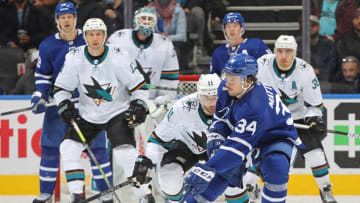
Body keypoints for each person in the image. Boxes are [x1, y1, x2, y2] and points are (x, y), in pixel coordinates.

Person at [53, 18, 154, 203]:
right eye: (91, 34)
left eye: (99, 34)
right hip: (87, 114)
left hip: (117, 112)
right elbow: (61, 89)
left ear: (105, 36)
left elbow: (139, 86)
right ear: (84, 37)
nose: (95, 38)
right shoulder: (75, 57)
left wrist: (140, 104)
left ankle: (144, 195)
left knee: (124, 153)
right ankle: (77, 194)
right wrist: (64, 103)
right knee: (67, 148)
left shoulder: (119, 56)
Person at [182, 54, 303, 203]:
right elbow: (220, 119)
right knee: (220, 173)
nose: (227, 82)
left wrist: (207, 168)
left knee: (276, 166)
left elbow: (237, 149)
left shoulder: (256, 105)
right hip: (244, 135)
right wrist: (216, 137)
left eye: (233, 79)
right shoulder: (225, 88)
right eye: (227, 76)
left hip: (275, 138)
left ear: (249, 80)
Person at [30, 3, 110, 203]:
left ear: (76, 18)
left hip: (91, 107)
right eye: (62, 17)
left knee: (97, 152)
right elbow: (43, 75)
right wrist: (40, 95)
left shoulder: (90, 37)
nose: (66, 20)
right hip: (59, 107)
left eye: (69, 16)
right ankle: (46, 194)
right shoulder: (48, 45)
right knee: (49, 150)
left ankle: (106, 195)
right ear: (57, 20)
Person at [256, 35, 338, 203]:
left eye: (288, 51)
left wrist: (313, 120)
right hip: (271, 120)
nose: (284, 56)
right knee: (254, 154)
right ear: (274, 52)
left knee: (316, 155)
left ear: (295, 52)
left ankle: (325, 189)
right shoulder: (262, 65)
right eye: (280, 51)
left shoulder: (305, 70)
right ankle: (251, 188)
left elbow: (315, 104)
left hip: (298, 119)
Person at [130, 74, 221, 202]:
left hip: (221, 149)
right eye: (207, 97)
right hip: (187, 147)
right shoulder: (183, 107)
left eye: (215, 97)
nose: (212, 102)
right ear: (199, 94)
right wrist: (148, 163)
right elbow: (158, 140)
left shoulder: (232, 106)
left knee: (236, 179)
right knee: (169, 175)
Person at [107, 6, 179, 102]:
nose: (146, 22)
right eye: (143, 18)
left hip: (152, 102)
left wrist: (163, 99)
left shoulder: (165, 44)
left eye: (149, 19)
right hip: (122, 103)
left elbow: (169, 77)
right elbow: (107, 71)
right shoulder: (118, 39)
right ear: (135, 20)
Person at [210, 12, 271, 76]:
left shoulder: (256, 45)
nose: (231, 29)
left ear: (241, 28)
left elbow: (270, 66)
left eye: (235, 26)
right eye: (228, 26)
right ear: (224, 30)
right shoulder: (218, 52)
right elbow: (213, 77)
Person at [296, 15, 338, 91]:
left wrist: (319, 71)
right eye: (307, 26)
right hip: (300, 80)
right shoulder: (296, 44)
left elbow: (333, 65)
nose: (310, 28)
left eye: (313, 25)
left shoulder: (328, 44)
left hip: (323, 80)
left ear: (319, 27)